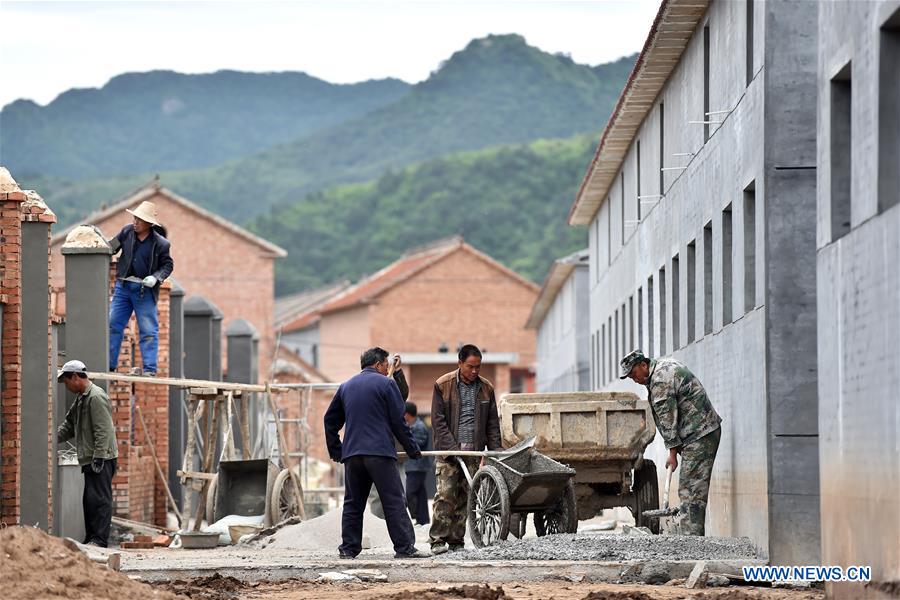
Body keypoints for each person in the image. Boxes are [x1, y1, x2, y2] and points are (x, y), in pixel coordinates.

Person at [324, 347, 425, 559]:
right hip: (379, 453)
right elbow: (399, 422)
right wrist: (413, 450)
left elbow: (330, 421)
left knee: (353, 503)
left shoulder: (346, 386)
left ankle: (348, 549)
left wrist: (337, 451)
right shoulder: (386, 384)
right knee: (394, 501)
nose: (387, 369)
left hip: (352, 455)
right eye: (386, 365)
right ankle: (405, 548)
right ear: (379, 365)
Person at [620, 349, 722, 536]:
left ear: (643, 365)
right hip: (699, 432)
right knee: (692, 488)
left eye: (634, 374)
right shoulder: (663, 367)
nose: (634, 379)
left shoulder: (659, 382)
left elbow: (668, 420)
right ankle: (691, 536)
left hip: (700, 434)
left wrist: (672, 454)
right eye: (630, 377)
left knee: (690, 490)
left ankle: (691, 540)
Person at [429, 344, 501, 555]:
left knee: (465, 498)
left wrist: (495, 450)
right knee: (445, 495)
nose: (475, 371)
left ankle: (456, 540)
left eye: (478, 367)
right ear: (460, 363)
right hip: (449, 453)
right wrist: (452, 448)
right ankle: (437, 540)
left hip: (473, 452)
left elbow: (492, 424)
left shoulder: (486, 388)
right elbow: (438, 421)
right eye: (470, 366)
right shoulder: (443, 385)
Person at [55, 360, 118, 547]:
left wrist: (99, 456)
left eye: (66, 382)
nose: (66, 386)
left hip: (102, 458)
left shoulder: (95, 397)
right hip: (92, 458)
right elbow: (69, 424)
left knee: (100, 500)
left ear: (75, 377)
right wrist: (50, 440)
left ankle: (99, 540)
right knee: (90, 501)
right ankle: (92, 538)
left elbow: (103, 430)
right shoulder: (82, 398)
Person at [107, 200, 174, 375]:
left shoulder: (161, 244)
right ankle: (109, 364)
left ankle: (150, 369)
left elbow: (167, 266)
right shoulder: (127, 232)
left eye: (140, 220)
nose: (135, 222)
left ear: (149, 224)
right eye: (135, 218)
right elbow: (111, 247)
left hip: (144, 290)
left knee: (148, 330)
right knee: (113, 324)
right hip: (124, 286)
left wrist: (156, 277)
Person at [403, 401, 431, 526]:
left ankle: (415, 516)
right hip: (412, 466)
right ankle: (423, 520)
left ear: (407, 414)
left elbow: (416, 444)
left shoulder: (419, 426)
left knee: (410, 492)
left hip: (417, 466)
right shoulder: (412, 426)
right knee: (420, 493)